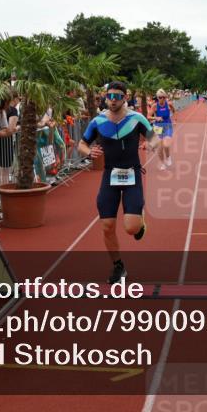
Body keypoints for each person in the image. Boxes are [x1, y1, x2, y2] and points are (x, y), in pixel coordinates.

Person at [77, 81, 159, 284]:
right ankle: (118, 266)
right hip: (109, 176)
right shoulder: (97, 121)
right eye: (110, 96)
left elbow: (154, 138)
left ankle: (139, 225)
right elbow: (81, 144)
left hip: (132, 175)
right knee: (107, 226)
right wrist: (89, 152)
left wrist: (149, 143)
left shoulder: (136, 118)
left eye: (117, 96)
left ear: (124, 97)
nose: (112, 100)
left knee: (131, 228)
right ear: (105, 97)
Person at [151, 89, 176, 169]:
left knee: (166, 143)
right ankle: (162, 163)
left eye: (163, 97)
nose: (162, 99)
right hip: (158, 127)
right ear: (157, 98)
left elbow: (174, 111)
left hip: (167, 125)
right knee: (159, 147)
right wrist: (156, 117)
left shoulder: (169, 104)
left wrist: (174, 119)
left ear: (165, 97)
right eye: (160, 97)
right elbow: (148, 116)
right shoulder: (154, 106)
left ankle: (168, 157)